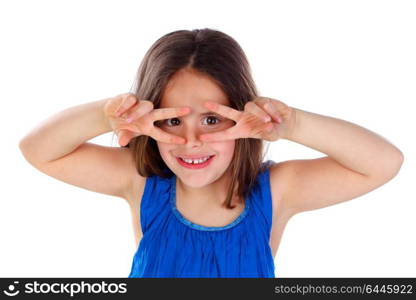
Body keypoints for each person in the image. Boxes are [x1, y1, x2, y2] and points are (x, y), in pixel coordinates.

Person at [18, 28, 404, 278]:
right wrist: (109, 114)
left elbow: (384, 163)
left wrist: (293, 125)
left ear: (244, 116)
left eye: (211, 121)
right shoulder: (140, 183)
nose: (191, 141)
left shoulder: (277, 190)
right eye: (172, 122)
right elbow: (38, 149)